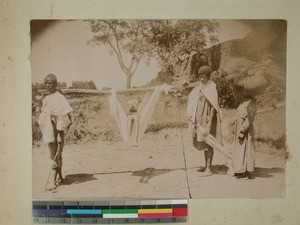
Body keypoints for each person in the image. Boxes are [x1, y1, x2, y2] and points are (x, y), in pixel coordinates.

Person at [38, 74, 74, 190]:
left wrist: (59, 133)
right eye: (46, 83)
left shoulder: (59, 98)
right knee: (54, 154)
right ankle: (60, 176)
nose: (48, 85)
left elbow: (62, 116)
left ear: (55, 84)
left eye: (50, 83)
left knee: (56, 154)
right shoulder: (45, 97)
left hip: (57, 130)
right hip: (49, 130)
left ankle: (53, 181)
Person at [187, 66, 222, 176]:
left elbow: (213, 107)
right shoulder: (200, 87)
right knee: (203, 143)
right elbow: (192, 97)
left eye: (204, 77)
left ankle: (209, 169)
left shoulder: (212, 88)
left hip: (207, 119)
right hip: (200, 118)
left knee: (208, 143)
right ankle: (206, 166)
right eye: (200, 77)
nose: (202, 79)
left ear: (208, 77)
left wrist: (209, 122)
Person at [232, 97, 257, 179]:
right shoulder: (243, 102)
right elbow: (239, 114)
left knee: (246, 149)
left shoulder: (251, 103)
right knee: (240, 149)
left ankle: (245, 171)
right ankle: (239, 170)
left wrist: (243, 130)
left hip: (245, 131)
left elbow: (249, 119)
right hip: (239, 128)